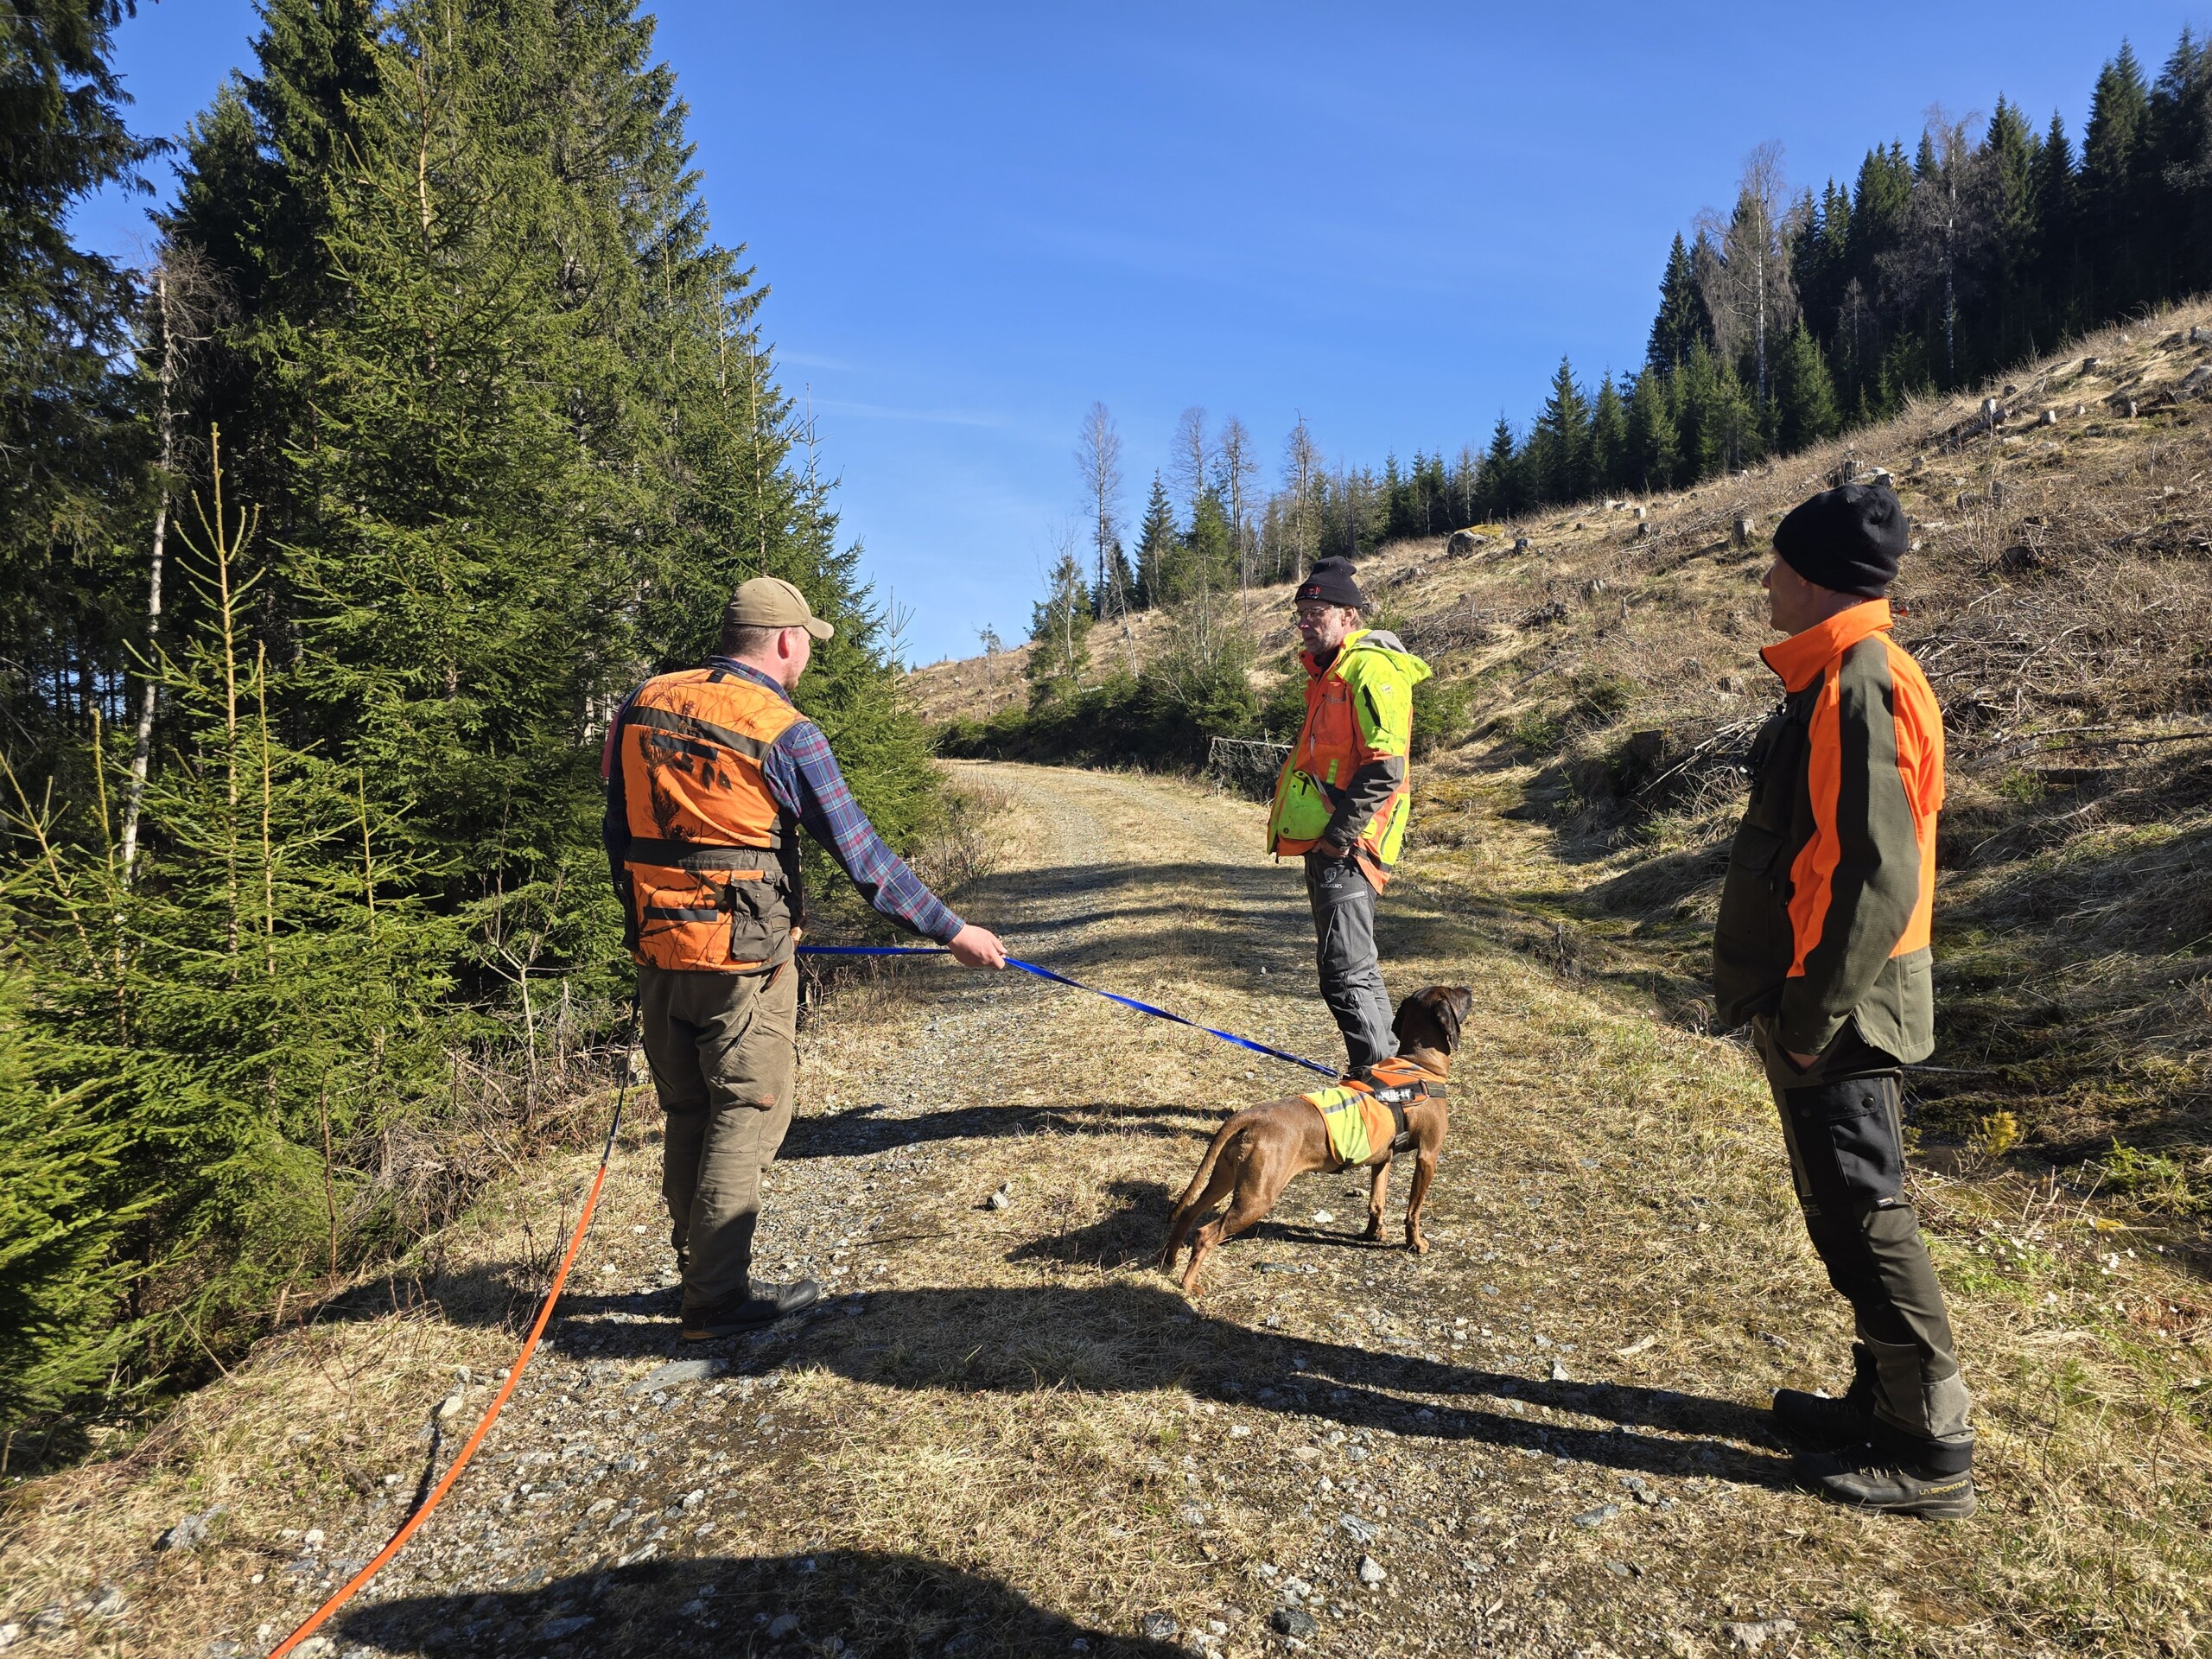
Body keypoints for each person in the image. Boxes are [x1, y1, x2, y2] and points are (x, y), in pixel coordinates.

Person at [602, 576, 1007, 1340]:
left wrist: (644, 920)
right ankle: (715, 1300)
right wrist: (951, 930)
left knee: (688, 1110)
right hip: (742, 961)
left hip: (658, 947)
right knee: (746, 1112)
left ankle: (699, 1274)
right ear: (787, 641)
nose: (807, 657)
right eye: (807, 643)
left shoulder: (640, 703)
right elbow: (865, 857)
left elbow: (618, 832)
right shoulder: (785, 730)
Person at [1712, 483, 1974, 1518]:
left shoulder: (1860, 678)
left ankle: (1929, 1446)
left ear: (1817, 577)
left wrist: (1812, 1016)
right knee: (1839, 1210)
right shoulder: (1837, 674)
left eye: (1778, 565)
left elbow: (1872, 873)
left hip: (1842, 1006)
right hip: (1823, 998)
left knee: (1865, 1214)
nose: (1765, 580)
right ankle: (1882, 1399)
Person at [1267, 556, 1432, 1075]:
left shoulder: (1369, 668)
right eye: (1301, 613)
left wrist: (1338, 838)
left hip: (1351, 844)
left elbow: (1386, 768)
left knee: (1344, 975)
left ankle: (1379, 1091)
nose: (1304, 622)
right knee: (1356, 969)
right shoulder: (1329, 673)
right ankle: (1394, 1081)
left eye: (1316, 613)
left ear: (1349, 615)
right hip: (1331, 842)